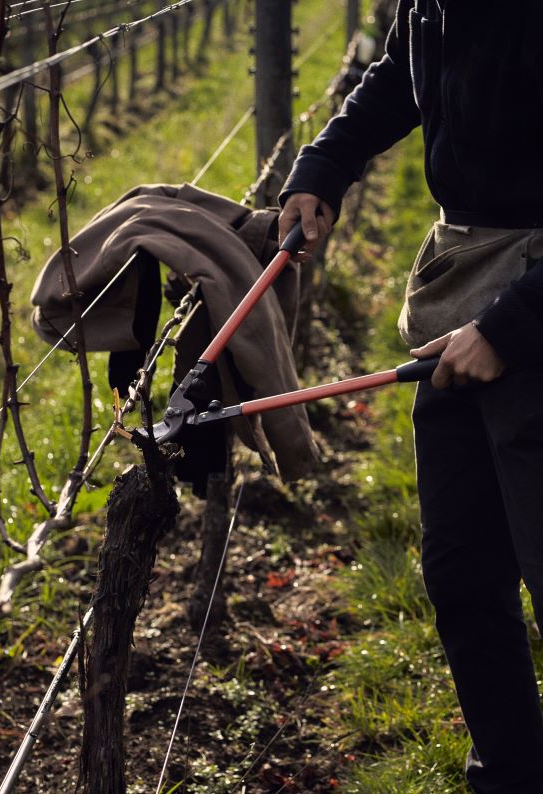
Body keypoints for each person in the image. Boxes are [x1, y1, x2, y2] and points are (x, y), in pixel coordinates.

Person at [278, 2, 543, 792]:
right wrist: (325, 166)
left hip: (528, 305)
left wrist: (511, 327)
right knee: (462, 569)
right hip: (465, 291)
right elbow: (401, 71)